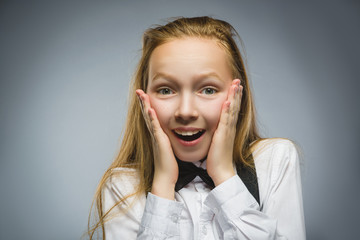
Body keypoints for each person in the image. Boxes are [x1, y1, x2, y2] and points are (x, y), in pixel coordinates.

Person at [88, 16, 306, 239]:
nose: (185, 111)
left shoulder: (274, 160)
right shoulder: (123, 186)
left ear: (238, 94)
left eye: (208, 90)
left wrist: (223, 174)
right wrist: (163, 184)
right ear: (144, 99)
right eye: (165, 90)